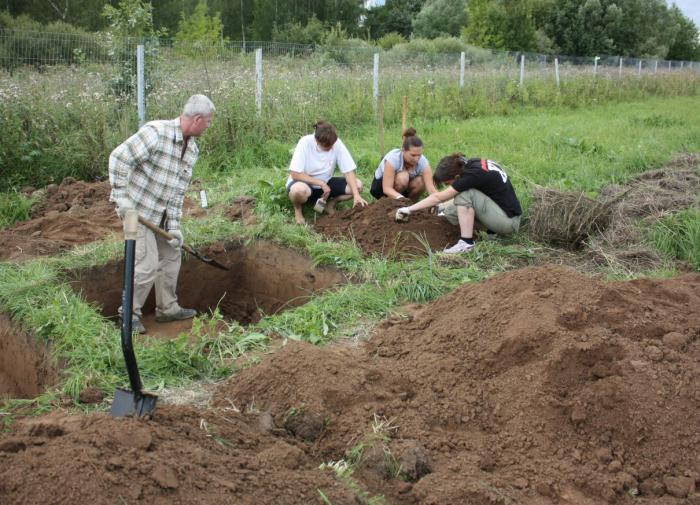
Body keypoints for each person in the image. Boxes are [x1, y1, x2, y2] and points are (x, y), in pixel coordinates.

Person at [109, 94, 215, 333]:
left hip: (162, 216)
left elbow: (178, 192)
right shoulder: (156, 133)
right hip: (137, 213)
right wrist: (122, 198)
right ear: (197, 119)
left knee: (171, 254)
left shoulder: (191, 150)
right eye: (208, 121)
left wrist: (174, 226)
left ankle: (167, 309)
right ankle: (128, 314)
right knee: (145, 265)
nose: (209, 126)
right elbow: (118, 158)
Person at [395, 153, 522, 254]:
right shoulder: (471, 164)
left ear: (456, 177)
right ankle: (490, 232)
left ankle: (466, 243)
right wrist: (441, 208)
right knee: (450, 212)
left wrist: (409, 209)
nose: (447, 186)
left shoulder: (471, 176)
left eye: (447, 183)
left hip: (509, 223)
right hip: (500, 212)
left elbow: (439, 197)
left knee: (465, 194)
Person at [286, 120, 367, 224]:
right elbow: (295, 174)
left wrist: (356, 195)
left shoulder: (336, 143)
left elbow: (348, 170)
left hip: (326, 183)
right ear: (317, 141)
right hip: (305, 183)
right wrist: (320, 183)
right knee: (297, 191)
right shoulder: (305, 143)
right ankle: (298, 210)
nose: (331, 148)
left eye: (332, 145)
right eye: (327, 146)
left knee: (358, 186)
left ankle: (330, 204)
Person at [370, 128, 437, 200]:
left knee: (421, 182)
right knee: (403, 177)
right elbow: (387, 188)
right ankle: (391, 204)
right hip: (381, 188)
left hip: (404, 190)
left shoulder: (423, 161)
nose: (416, 159)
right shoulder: (393, 158)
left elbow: (431, 188)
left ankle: (410, 206)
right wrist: (402, 199)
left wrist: (439, 200)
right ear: (403, 150)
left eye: (419, 155)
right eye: (413, 155)